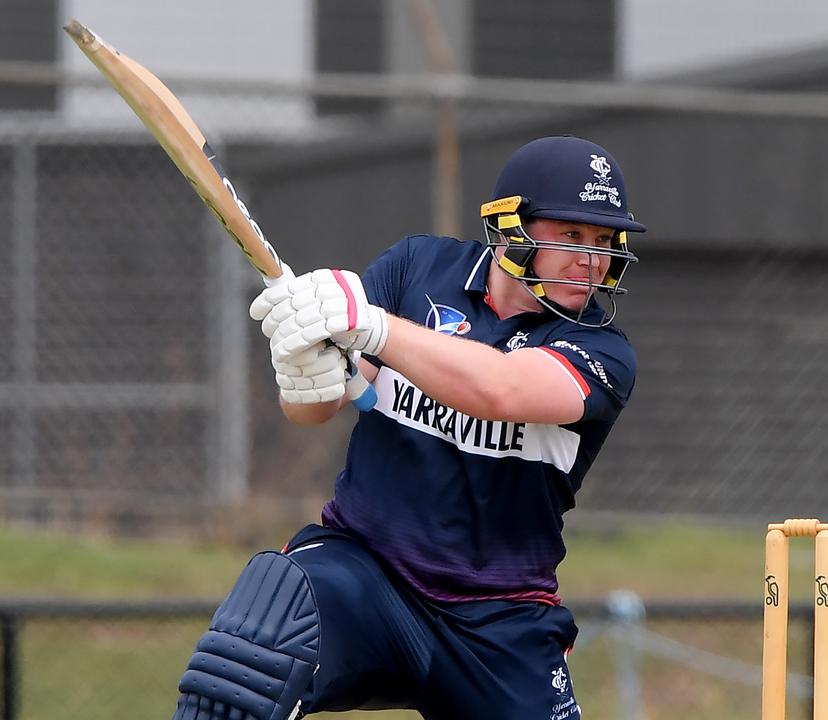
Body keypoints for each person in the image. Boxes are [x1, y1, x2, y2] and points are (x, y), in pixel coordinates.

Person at [171, 136, 645, 720]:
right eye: (570, 236)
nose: (590, 260)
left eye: (602, 241)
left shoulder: (602, 349)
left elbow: (501, 389)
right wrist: (306, 370)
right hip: (367, 574)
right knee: (251, 649)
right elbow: (326, 402)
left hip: (498, 620)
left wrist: (370, 327)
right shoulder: (418, 266)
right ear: (510, 227)